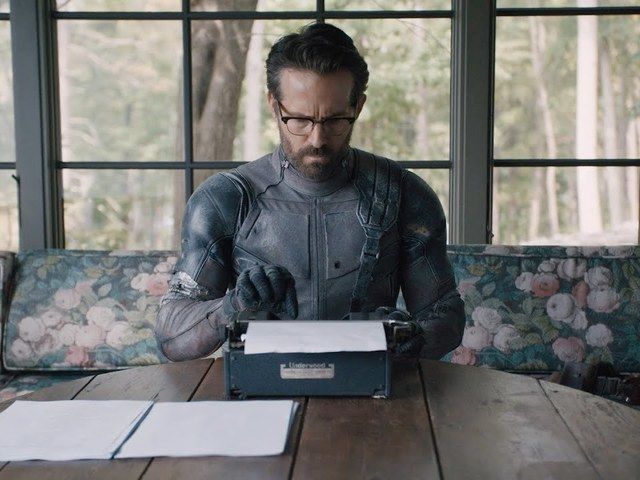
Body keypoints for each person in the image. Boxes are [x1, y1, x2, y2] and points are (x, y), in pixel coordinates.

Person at [155, 22, 465, 361]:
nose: (317, 140)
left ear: (358, 107)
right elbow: (171, 338)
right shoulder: (225, 199)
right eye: (300, 120)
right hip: (261, 385)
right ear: (274, 105)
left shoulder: (404, 194)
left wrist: (413, 337)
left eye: (334, 120)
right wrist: (233, 305)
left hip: (374, 382)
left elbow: (445, 315)